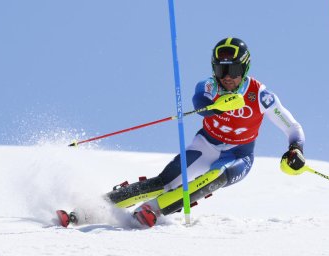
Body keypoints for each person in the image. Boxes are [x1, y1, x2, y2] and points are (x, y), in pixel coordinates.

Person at [58, 37, 306, 228]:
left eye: (234, 72)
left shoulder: (261, 96)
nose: (228, 78)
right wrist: (214, 107)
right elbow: (199, 102)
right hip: (207, 144)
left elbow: (293, 127)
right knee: (165, 182)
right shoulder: (209, 85)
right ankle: (82, 213)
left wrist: (295, 149)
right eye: (222, 71)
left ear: (245, 68)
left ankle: (151, 211)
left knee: (215, 176)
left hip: (239, 154)